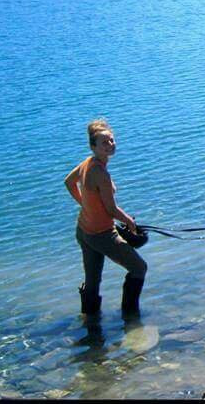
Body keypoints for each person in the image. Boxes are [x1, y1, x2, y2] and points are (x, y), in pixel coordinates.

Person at [64, 119, 147, 320]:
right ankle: (131, 316)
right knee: (139, 268)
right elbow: (111, 210)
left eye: (111, 140)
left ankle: (90, 324)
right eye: (104, 143)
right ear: (93, 147)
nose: (110, 145)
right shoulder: (100, 173)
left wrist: (85, 205)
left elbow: (69, 182)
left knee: (92, 281)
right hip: (101, 234)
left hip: (83, 230)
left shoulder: (87, 162)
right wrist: (130, 222)